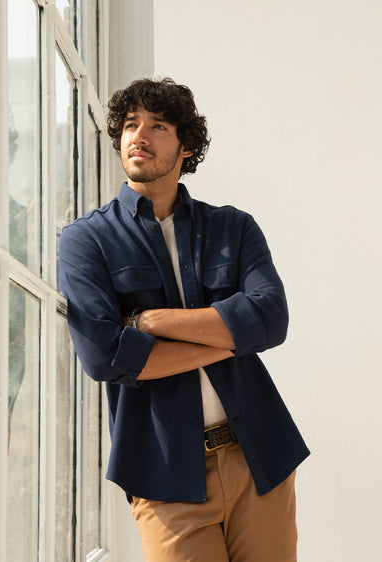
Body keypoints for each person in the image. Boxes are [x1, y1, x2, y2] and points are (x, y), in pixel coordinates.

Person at [59, 77, 310, 562]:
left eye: (158, 125)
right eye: (130, 125)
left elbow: (271, 318)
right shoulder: (86, 241)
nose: (139, 136)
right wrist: (231, 337)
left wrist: (148, 322)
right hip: (164, 472)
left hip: (259, 454)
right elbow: (106, 357)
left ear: (186, 146)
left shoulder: (233, 227)